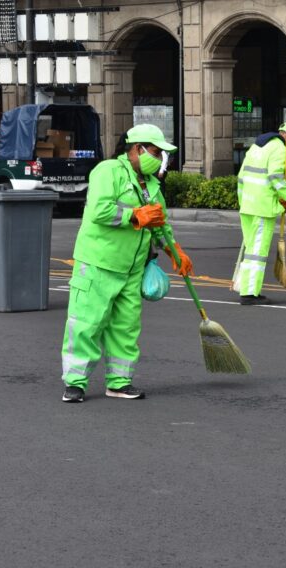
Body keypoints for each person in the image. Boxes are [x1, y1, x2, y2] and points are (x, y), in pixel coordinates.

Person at [60, 124, 193, 403]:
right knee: (86, 324)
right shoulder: (108, 171)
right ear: (136, 149)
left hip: (132, 270)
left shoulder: (151, 184)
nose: (158, 159)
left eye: (160, 155)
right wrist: (136, 216)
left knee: (126, 328)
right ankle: (75, 383)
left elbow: (159, 223)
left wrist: (175, 251)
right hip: (98, 263)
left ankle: (119, 382)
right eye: (155, 152)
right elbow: (100, 210)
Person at [236, 121, 286, 305]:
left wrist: (243, 202)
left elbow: (241, 177)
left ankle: (245, 287)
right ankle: (249, 294)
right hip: (263, 208)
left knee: (251, 251)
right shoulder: (279, 148)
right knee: (257, 252)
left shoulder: (256, 147)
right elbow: (275, 176)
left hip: (247, 206)